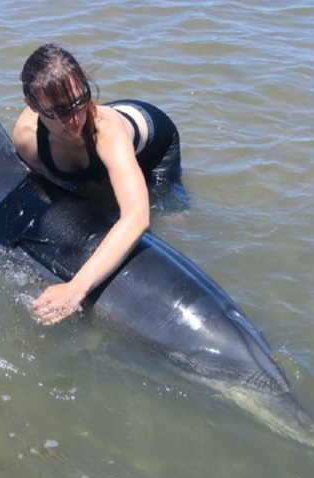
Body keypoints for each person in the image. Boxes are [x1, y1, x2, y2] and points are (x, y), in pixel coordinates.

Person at [12, 43, 187, 325]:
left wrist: (75, 289)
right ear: (31, 104)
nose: (73, 120)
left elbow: (137, 217)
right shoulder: (27, 138)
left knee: (170, 215)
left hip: (155, 147)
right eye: (58, 111)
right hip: (104, 154)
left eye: (80, 101)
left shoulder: (107, 132)